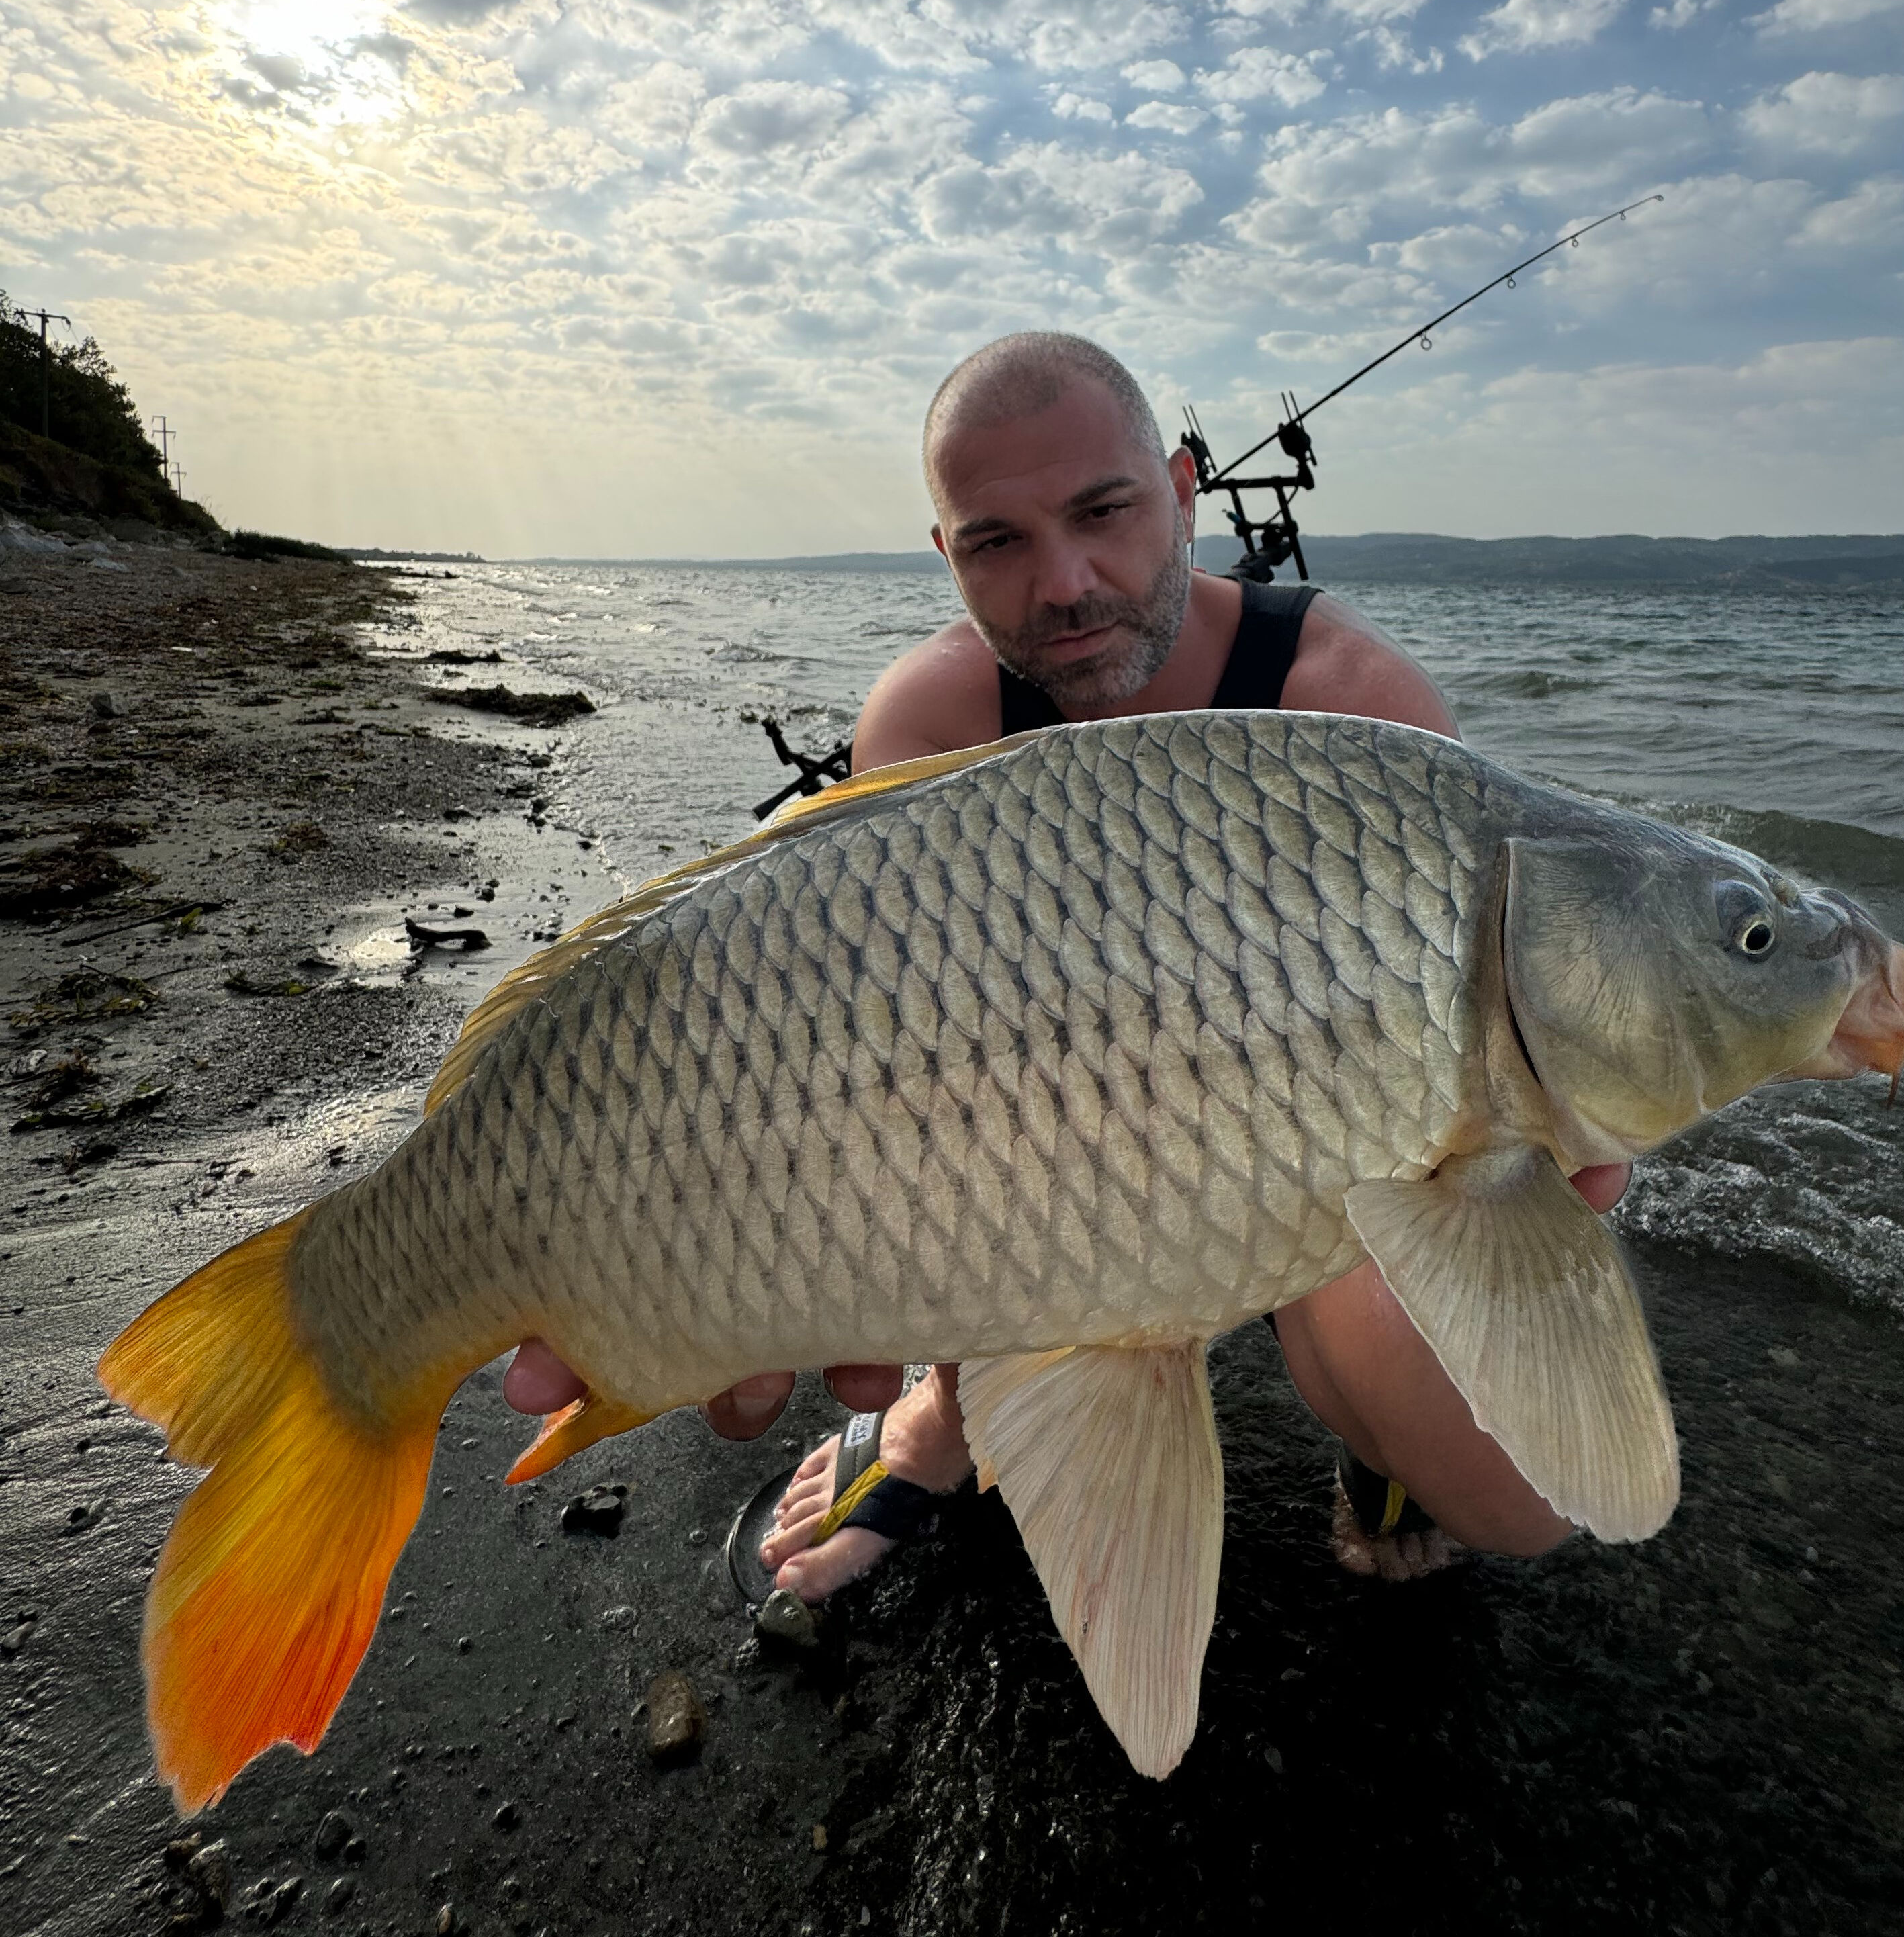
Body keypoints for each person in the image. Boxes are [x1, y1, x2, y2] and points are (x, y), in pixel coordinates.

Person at [503, 332, 1629, 1595]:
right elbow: (922, 1092)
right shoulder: (931, 721)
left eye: (1106, 512)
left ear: (1185, 492)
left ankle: (1378, 1436)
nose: (1068, 584)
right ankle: (939, 1422)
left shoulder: (1354, 701)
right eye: (999, 542)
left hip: (1324, 1149)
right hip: (1062, 1152)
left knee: (1518, 1506)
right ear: (947, 558)